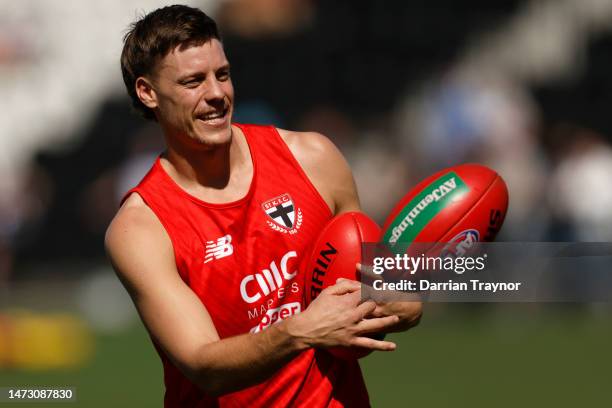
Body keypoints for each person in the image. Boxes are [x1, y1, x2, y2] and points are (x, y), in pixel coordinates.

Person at [105, 5, 422, 407]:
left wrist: (393, 299)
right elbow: (204, 364)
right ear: (148, 92)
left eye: (222, 74)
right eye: (193, 82)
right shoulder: (140, 228)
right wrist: (300, 330)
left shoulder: (313, 158)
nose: (217, 94)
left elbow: (400, 297)